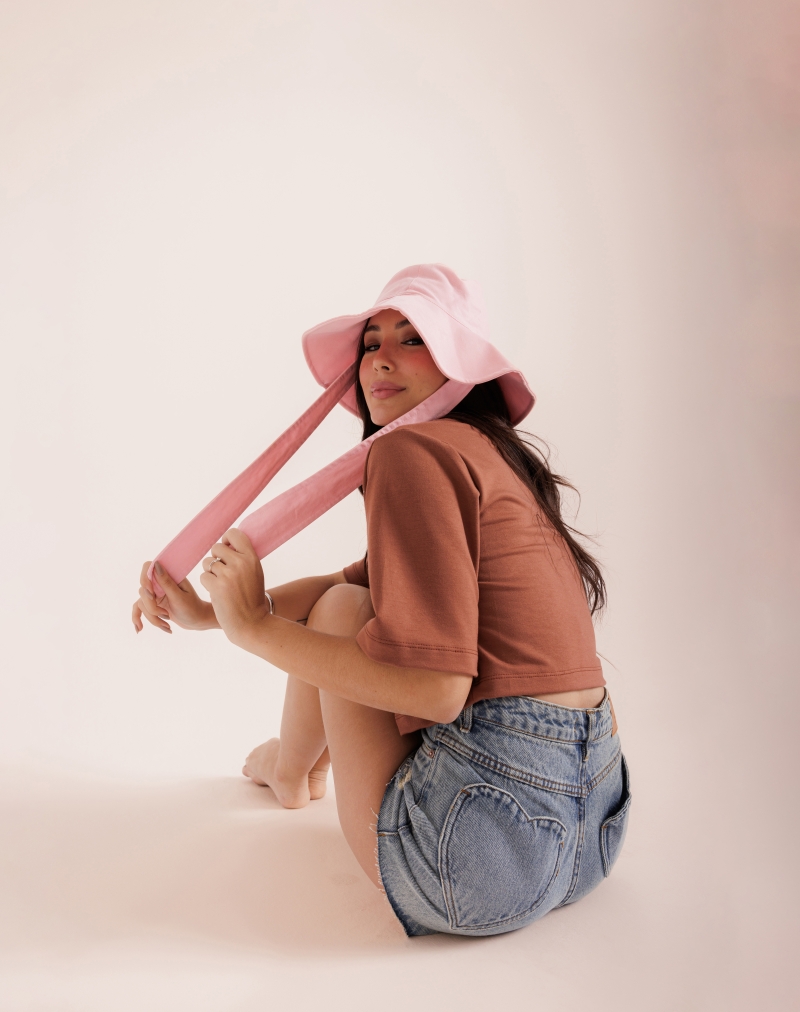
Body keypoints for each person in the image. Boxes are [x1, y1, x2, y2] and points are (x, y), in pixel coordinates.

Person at [132, 267, 630, 937]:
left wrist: (251, 626)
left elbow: (437, 692)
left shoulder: (411, 453)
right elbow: (361, 578)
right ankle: (294, 764)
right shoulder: (491, 455)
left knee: (342, 611)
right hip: (595, 833)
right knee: (350, 598)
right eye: (370, 343)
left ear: (460, 364)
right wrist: (210, 614)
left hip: (478, 855)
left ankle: (291, 769)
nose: (381, 360)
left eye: (414, 339)